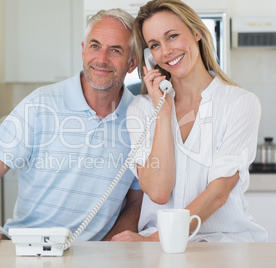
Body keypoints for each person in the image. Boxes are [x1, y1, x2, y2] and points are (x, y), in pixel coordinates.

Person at [0, 8, 143, 246]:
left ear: (132, 63)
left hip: (95, 255)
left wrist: (106, 247)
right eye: (95, 46)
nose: (102, 58)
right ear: (84, 50)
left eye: (115, 50)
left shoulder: (141, 118)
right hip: (25, 248)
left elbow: (137, 200)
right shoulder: (40, 103)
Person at [112, 0, 268, 242]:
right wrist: (163, 114)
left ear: (196, 32)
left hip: (221, 244)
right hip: (158, 251)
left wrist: (153, 241)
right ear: (148, 56)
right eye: (154, 45)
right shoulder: (142, 109)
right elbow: (159, 192)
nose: (165, 52)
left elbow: (218, 194)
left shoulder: (239, 103)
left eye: (172, 36)